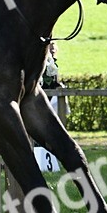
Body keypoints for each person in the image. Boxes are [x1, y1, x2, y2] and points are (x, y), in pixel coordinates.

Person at [35, 43, 64, 172]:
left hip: (51, 97)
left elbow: (54, 79)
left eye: (53, 47)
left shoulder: (53, 63)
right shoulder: (41, 60)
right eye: (50, 47)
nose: (52, 49)